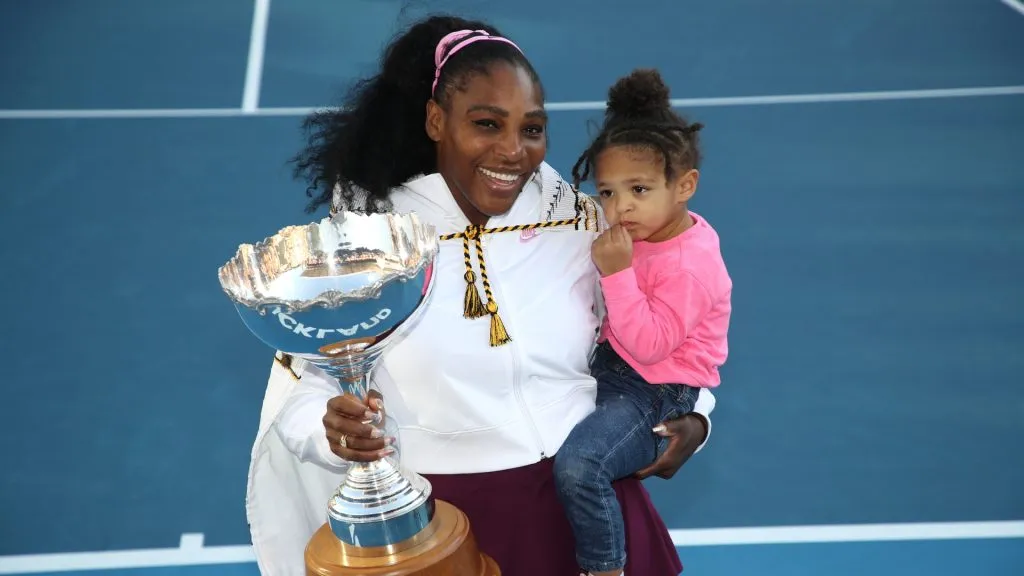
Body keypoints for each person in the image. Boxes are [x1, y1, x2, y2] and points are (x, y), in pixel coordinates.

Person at [245, 15, 718, 576]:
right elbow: (302, 385)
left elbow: (679, 317)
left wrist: (698, 417)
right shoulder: (371, 243)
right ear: (436, 120)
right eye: (487, 124)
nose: (513, 151)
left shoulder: (581, 222)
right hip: (448, 529)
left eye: (532, 129)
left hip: (589, 509)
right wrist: (332, 430)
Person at [551, 69, 732, 576]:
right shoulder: (646, 229)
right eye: (607, 192)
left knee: (580, 467)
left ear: (685, 186)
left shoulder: (690, 266)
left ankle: (605, 567)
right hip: (611, 367)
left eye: (639, 189)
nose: (620, 206)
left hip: (655, 390)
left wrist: (617, 274)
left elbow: (650, 345)